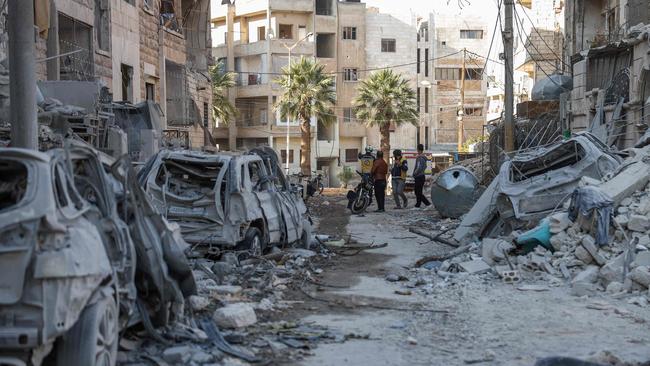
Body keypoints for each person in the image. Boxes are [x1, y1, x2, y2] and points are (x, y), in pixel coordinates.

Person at [412, 144, 431, 209]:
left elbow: (418, 167)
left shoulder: (419, 158)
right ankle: (418, 205)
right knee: (418, 191)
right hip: (422, 176)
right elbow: (424, 166)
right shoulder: (424, 157)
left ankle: (427, 204)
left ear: (418, 149)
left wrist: (414, 173)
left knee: (417, 192)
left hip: (419, 176)